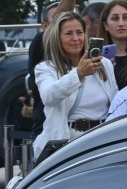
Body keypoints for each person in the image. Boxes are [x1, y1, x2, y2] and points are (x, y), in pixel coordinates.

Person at [33, 12, 117, 161]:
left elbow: (115, 103)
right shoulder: (45, 68)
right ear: (57, 37)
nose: (75, 38)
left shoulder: (103, 64)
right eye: (68, 34)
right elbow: (48, 96)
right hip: (66, 144)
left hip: (100, 140)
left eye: (79, 32)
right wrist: (78, 73)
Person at [100, 0, 127, 89]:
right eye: (115, 18)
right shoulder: (97, 58)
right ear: (105, 25)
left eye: (126, 18)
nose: (121, 23)